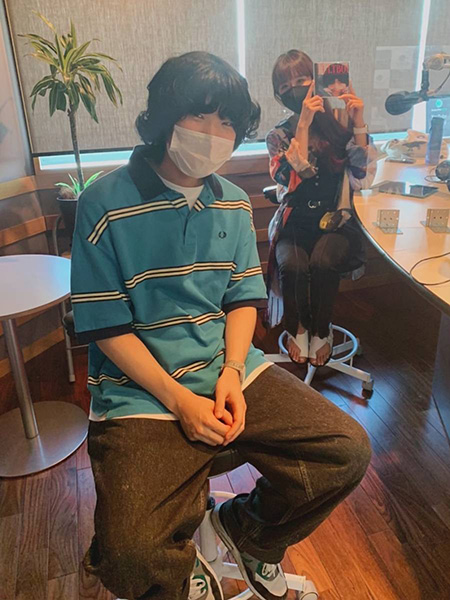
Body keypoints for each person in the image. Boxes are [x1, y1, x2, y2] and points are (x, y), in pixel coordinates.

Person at [71, 51, 371, 600]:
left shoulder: (232, 202)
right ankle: (183, 576)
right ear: (165, 115)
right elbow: (105, 325)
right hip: (138, 389)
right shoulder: (103, 203)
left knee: (345, 451)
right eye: (200, 115)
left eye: (228, 121)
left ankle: (248, 533)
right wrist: (180, 400)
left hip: (226, 367)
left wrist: (232, 371)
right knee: (128, 558)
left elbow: (242, 299)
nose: (213, 134)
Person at [266, 49, 377, 366]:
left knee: (323, 261)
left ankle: (321, 330)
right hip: (294, 224)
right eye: (285, 87)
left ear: (316, 80)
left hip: (336, 223)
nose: (295, 89)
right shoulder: (278, 136)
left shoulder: (341, 126)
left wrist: (358, 121)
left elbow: (362, 176)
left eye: (301, 80)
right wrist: (302, 124)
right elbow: (290, 177)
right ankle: (297, 327)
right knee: (293, 266)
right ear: (279, 96)